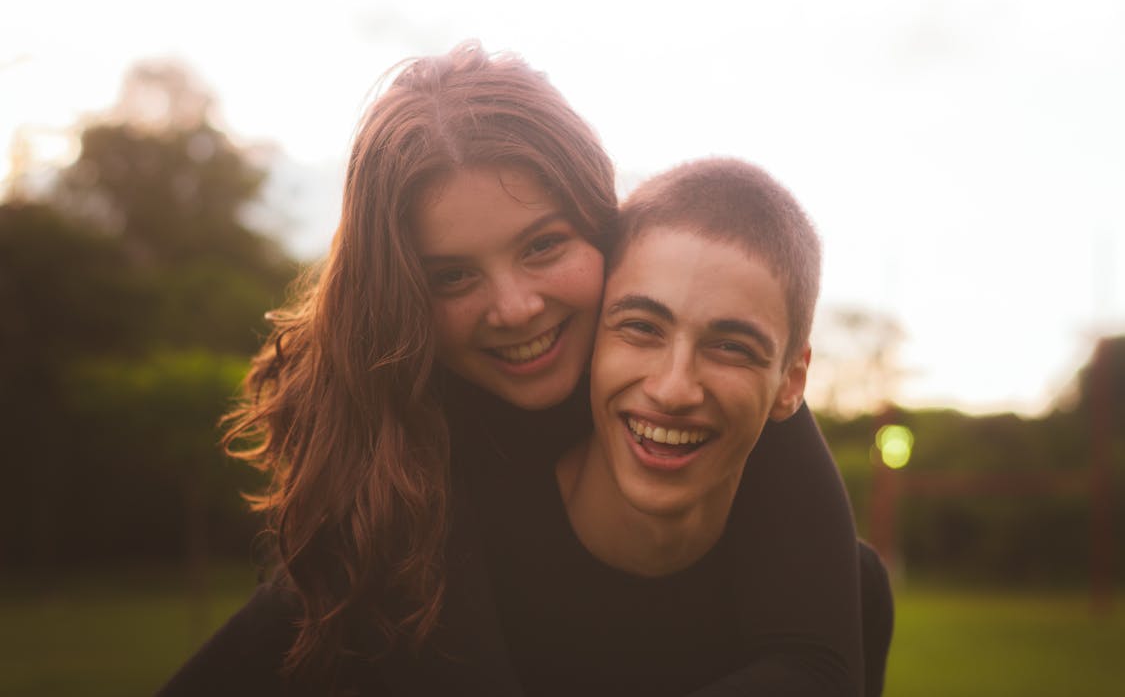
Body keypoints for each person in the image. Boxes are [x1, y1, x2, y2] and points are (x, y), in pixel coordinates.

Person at [158, 43, 889, 697]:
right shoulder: (403, 477)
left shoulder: (690, 372)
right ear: (403, 296)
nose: (513, 308)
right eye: (451, 277)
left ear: (607, 229)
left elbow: (817, 666)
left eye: (542, 246)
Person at [478, 156, 866, 696]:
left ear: (791, 383)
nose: (673, 389)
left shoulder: (841, 602)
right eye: (640, 327)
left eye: (731, 346)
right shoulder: (463, 543)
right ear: (591, 340)